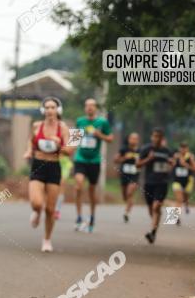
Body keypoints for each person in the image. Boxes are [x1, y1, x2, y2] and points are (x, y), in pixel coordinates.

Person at [23, 97, 72, 253]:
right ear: (43, 110)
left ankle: (47, 239)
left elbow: (70, 151)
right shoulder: (36, 125)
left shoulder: (65, 128)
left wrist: (59, 144)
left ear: (58, 110)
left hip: (54, 167)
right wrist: (29, 151)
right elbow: (30, 141)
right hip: (38, 165)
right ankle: (36, 212)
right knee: (37, 203)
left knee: (50, 209)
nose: (50, 110)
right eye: (48, 107)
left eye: (53, 107)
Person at [72, 98, 114, 232]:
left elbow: (110, 139)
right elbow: (74, 140)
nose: (89, 108)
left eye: (92, 106)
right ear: (85, 108)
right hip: (80, 158)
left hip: (95, 160)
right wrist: (69, 150)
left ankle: (92, 218)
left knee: (91, 191)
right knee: (78, 185)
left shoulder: (102, 122)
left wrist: (98, 134)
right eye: (87, 106)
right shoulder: (80, 121)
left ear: (96, 108)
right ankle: (79, 217)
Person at [137, 128, 173, 244]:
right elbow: (137, 165)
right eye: (154, 136)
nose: (156, 138)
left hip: (162, 183)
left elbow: (171, 165)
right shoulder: (146, 149)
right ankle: (155, 226)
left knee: (156, 206)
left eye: (159, 136)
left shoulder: (167, 151)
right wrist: (149, 158)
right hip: (149, 183)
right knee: (151, 209)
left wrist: (171, 164)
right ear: (151, 137)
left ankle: (152, 232)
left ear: (162, 138)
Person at [114, 132, 140, 223]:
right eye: (132, 138)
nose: (134, 140)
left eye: (136, 139)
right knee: (125, 196)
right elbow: (115, 160)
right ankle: (129, 203)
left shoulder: (140, 151)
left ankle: (126, 213)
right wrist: (125, 158)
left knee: (129, 193)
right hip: (124, 175)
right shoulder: (124, 149)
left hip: (134, 175)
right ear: (128, 139)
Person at [171, 141, 195, 221]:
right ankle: (175, 217)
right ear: (179, 148)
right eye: (181, 148)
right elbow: (171, 167)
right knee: (179, 199)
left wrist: (186, 165)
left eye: (185, 148)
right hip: (177, 181)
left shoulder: (190, 157)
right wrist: (173, 161)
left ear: (187, 149)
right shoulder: (176, 156)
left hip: (188, 181)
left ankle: (186, 205)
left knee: (185, 197)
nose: (183, 149)